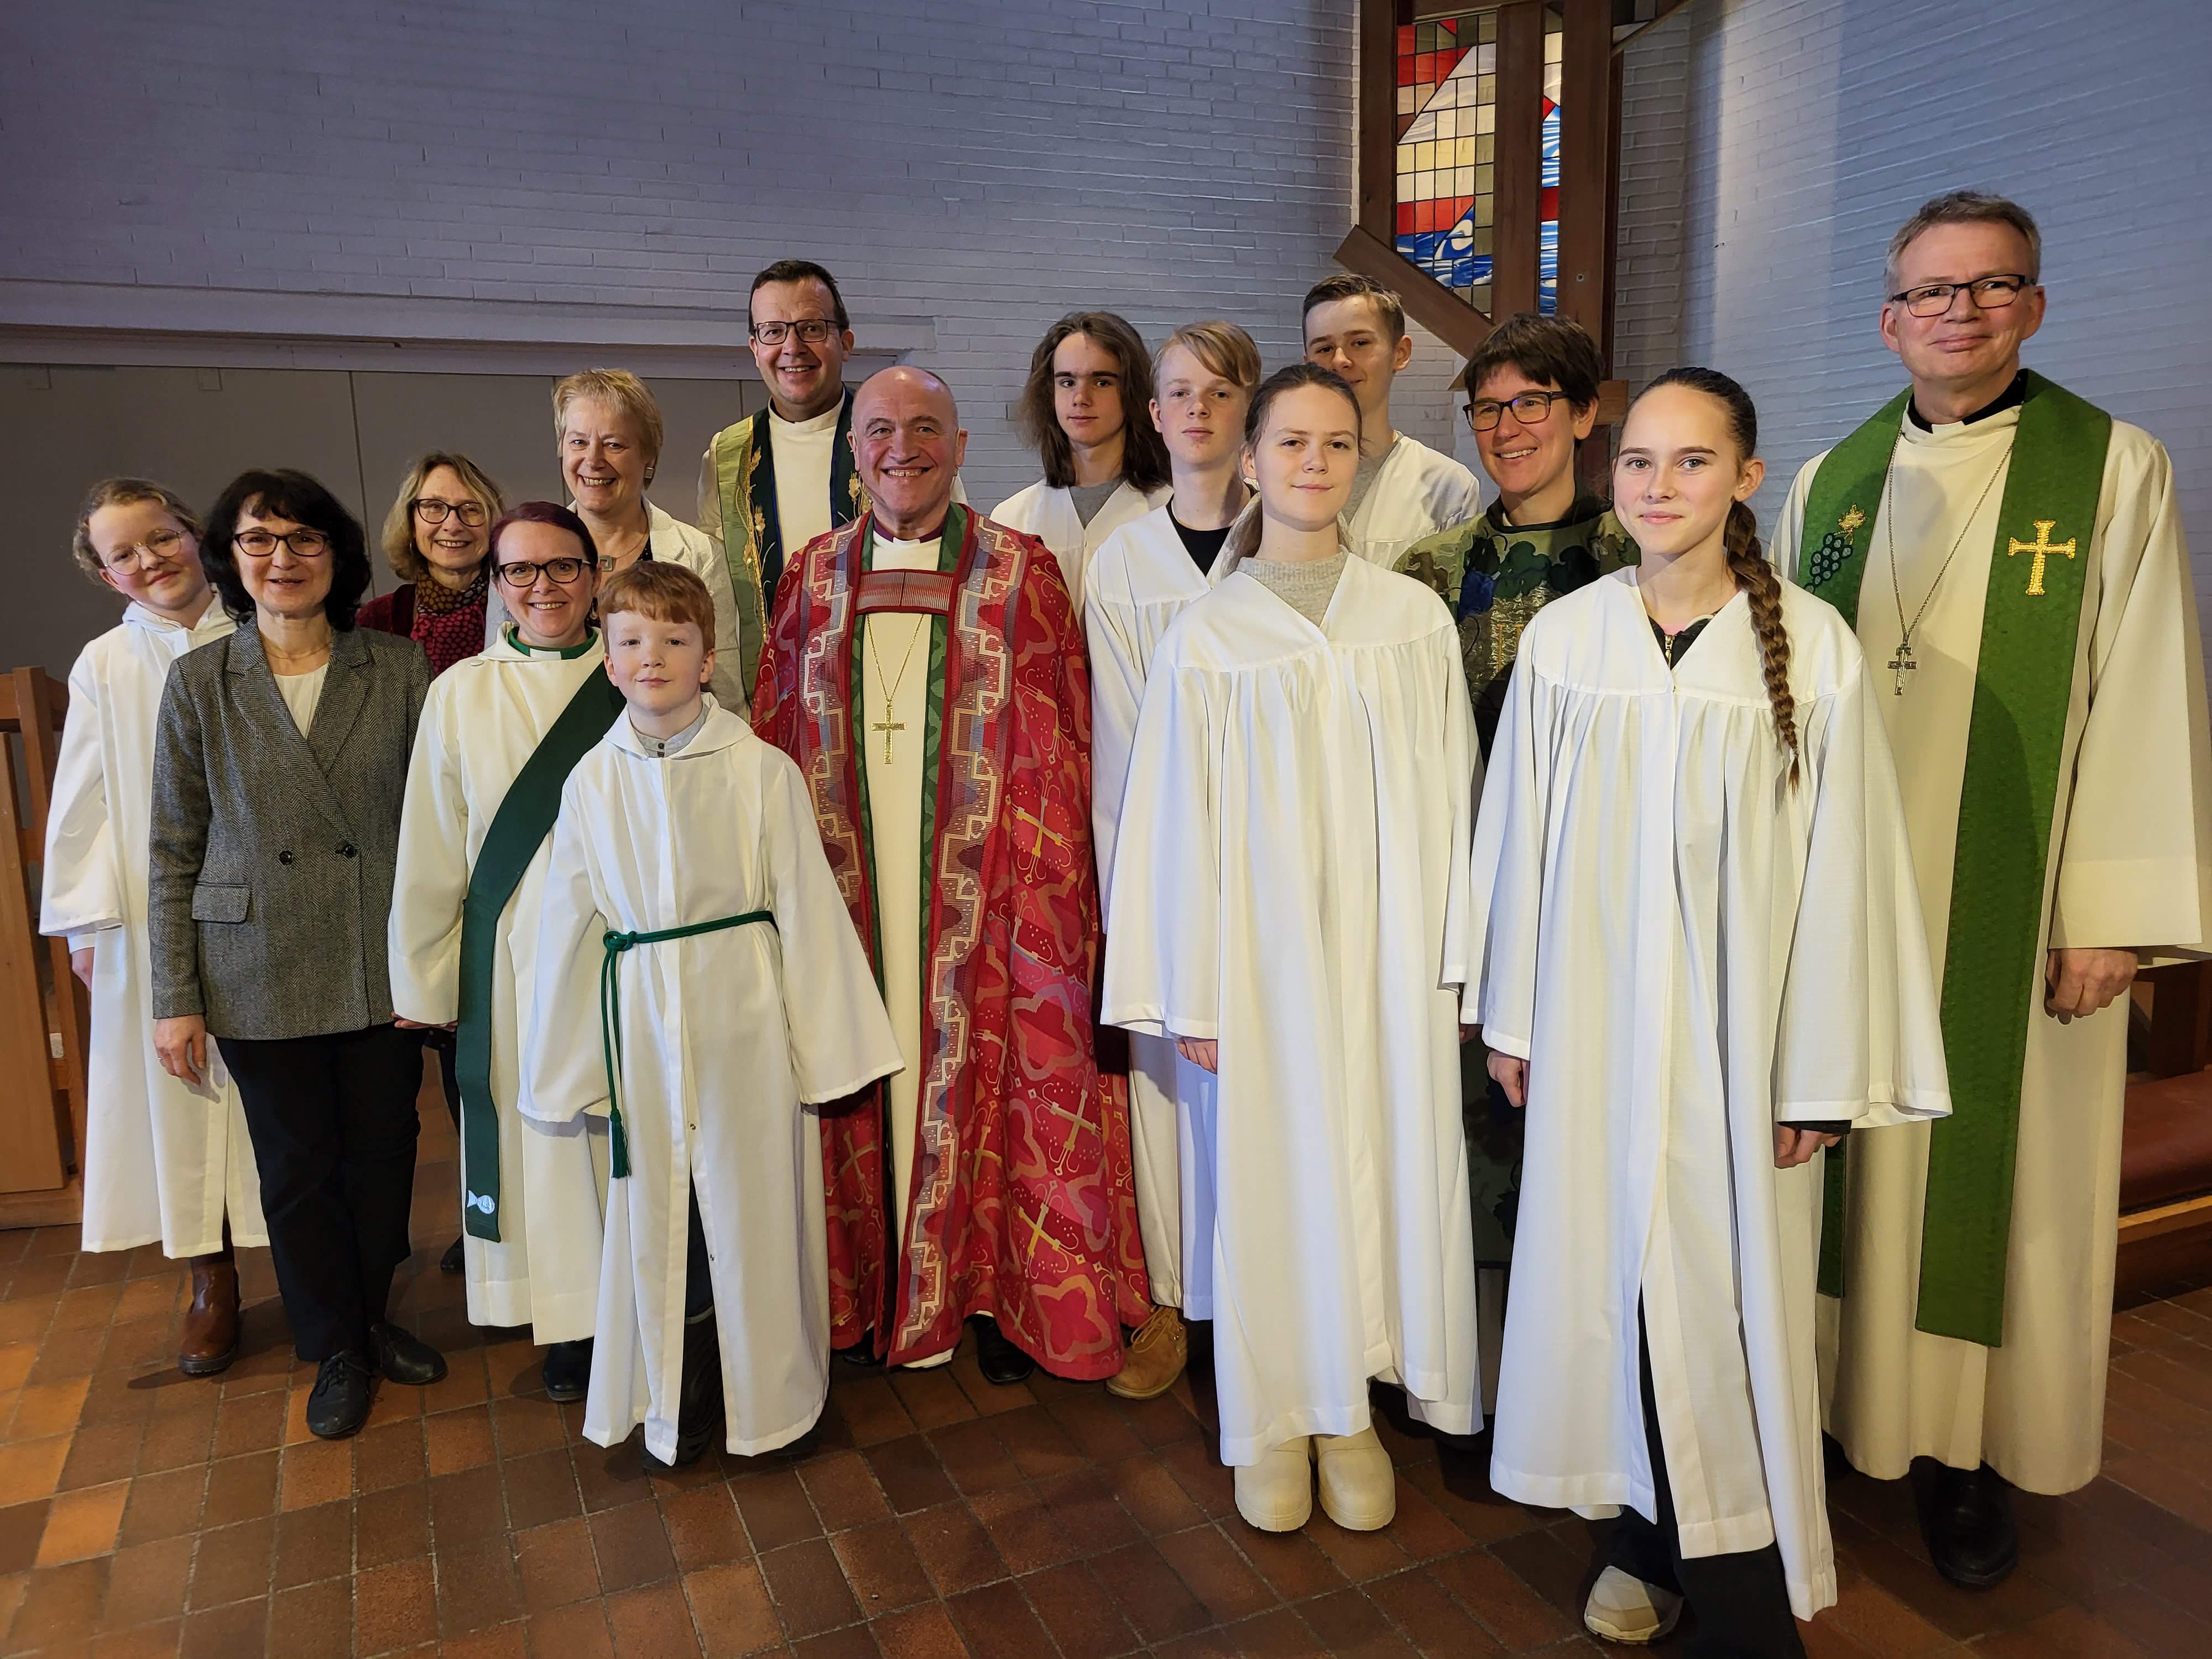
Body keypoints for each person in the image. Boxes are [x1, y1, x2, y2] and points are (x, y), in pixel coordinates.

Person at [1469, 368, 1949, 1651]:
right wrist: (1512, 1017)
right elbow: (1515, 838)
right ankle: (1639, 1537)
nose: (1657, 485)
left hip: (1742, 1053)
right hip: (1591, 1036)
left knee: (1726, 1310)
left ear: (1744, 477)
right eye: (1637, 461)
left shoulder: (1813, 650)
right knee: (1610, 1288)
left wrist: (1818, 1075)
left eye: (1690, 462)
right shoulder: (1568, 641)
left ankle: (1735, 1592)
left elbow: (1847, 877)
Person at [1773, 190, 2212, 1589]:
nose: (1956, 311)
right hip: (1851, 904)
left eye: (1988, 285)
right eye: (1929, 290)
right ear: (1888, 318)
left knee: (1998, 1188)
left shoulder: (2109, 470)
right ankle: (1841, 1412)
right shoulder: (1828, 486)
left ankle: (1968, 1459)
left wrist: (2106, 914)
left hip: (2016, 906)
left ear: (2032, 303)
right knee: (1853, 1167)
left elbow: (2147, 692)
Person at [1102, 363, 1481, 1536]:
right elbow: (1170, 825)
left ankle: (1351, 1408)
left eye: (1335, 444)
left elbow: (1456, 800)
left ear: (1359, 461)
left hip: (1387, 960)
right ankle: (1272, 1416)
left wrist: (1459, 963)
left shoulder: (1410, 620)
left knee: (1379, 1168)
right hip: (1255, 969)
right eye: (1290, 443)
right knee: (1269, 1176)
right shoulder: (1208, 635)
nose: (1313, 463)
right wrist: (1190, 992)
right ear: (1251, 460)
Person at [755, 365, 1150, 1385]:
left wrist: (1059, 899)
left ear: (962, 446)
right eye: (882, 430)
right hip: (850, 892)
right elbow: (775, 733)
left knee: (1002, 1076)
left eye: (926, 427)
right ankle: (867, 1288)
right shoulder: (811, 577)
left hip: (992, 901)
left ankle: (992, 1292)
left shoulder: (1021, 573)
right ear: (855, 451)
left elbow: (1068, 739)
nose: (905, 448)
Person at [525, 561, 902, 1468]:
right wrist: (566, 1061)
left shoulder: (760, 770)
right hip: (642, 1018)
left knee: (755, 1202)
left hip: (744, 1019)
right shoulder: (591, 781)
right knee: (663, 1213)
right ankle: (678, 1386)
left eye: (674, 639)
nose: (651, 657)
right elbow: (567, 922)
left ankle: (771, 1398)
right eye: (631, 641)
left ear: (707, 658)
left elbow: (805, 907)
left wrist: (825, 1047)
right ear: (607, 661)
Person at [147, 469, 444, 1439]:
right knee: (296, 1167)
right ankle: (335, 1346)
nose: (284, 558)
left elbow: (435, 822)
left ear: (336, 554)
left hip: (375, 949)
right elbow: (173, 847)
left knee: (384, 1151)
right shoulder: (200, 682)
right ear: (231, 559)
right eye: (260, 540)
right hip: (254, 960)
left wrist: (439, 959)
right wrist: (174, 995)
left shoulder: (396, 668)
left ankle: (372, 1315)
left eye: (305, 539)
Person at [388, 504, 619, 1406]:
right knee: (541, 1143)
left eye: (562, 566)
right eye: (519, 570)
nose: (542, 587)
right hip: (514, 961)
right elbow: (432, 844)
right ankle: (568, 1318)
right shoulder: (462, 693)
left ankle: (639, 1299)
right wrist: (426, 977)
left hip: (620, 951)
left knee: (620, 1137)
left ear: (595, 575)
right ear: (496, 585)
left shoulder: (636, 665)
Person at [39, 479, 268, 1378]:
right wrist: (89, 928)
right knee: (181, 1095)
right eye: (124, 554)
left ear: (194, 533)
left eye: (161, 537)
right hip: (155, 907)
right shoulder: (105, 664)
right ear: (107, 576)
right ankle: (211, 1277)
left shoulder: (259, 626)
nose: (150, 560)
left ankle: (303, 1256)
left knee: (272, 1090)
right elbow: (83, 803)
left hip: (266, 899)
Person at [1083, 320, 1259, 1403]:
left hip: (1271, 863)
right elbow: (1116, 741)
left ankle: (1265, 1304)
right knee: (1165, 1093)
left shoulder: (1288, 537)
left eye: (1220, 391)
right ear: (1154, 415)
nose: (1198, 409)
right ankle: (1173, 1302)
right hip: (1161, 855)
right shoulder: (1122, 561)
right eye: (1180, 392)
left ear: (1250, 413)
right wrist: (1132, 892)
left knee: (1266, 1089)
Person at [1396, 312, 1637, 753]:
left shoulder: (1638, 559)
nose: (1506, 430)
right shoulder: (1428, 569)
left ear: (1583, 414)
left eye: (1530, 403)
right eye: (1488, 409)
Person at [697, 259, 869, 696]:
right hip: (767, 699)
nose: (793, 347)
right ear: (754, 348)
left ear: (846, 342)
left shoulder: (892, 437)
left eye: (812, 328)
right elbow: (717, 597)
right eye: (774, 331)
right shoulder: (727, 456)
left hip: (879, 688)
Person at [540, 367, 745, 710]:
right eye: (578, 442)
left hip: (670, 742)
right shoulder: (524, 553)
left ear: (648, 457)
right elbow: (502, 671)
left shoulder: (700, 555)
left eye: (614, 444)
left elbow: (723, 689)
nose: (593, 460)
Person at [993, 311, 1172, 615]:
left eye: (1102, 382)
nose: (1081, 397)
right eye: (1067, 382)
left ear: (1132, 391)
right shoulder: (1013, 521)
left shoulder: (1169, 511)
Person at [1301, 273, 1481, 567]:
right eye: (1324, 349)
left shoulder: (1445, 487)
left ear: (1400, 353)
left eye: (1360, 343)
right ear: (1308, 364)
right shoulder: (1274, 480)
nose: (1340, 361)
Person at [357, 451, 504, 677]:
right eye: (435, 507)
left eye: (471, 509)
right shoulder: (376, 621)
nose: (453, 526)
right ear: (411, 522)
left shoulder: (521, 610)